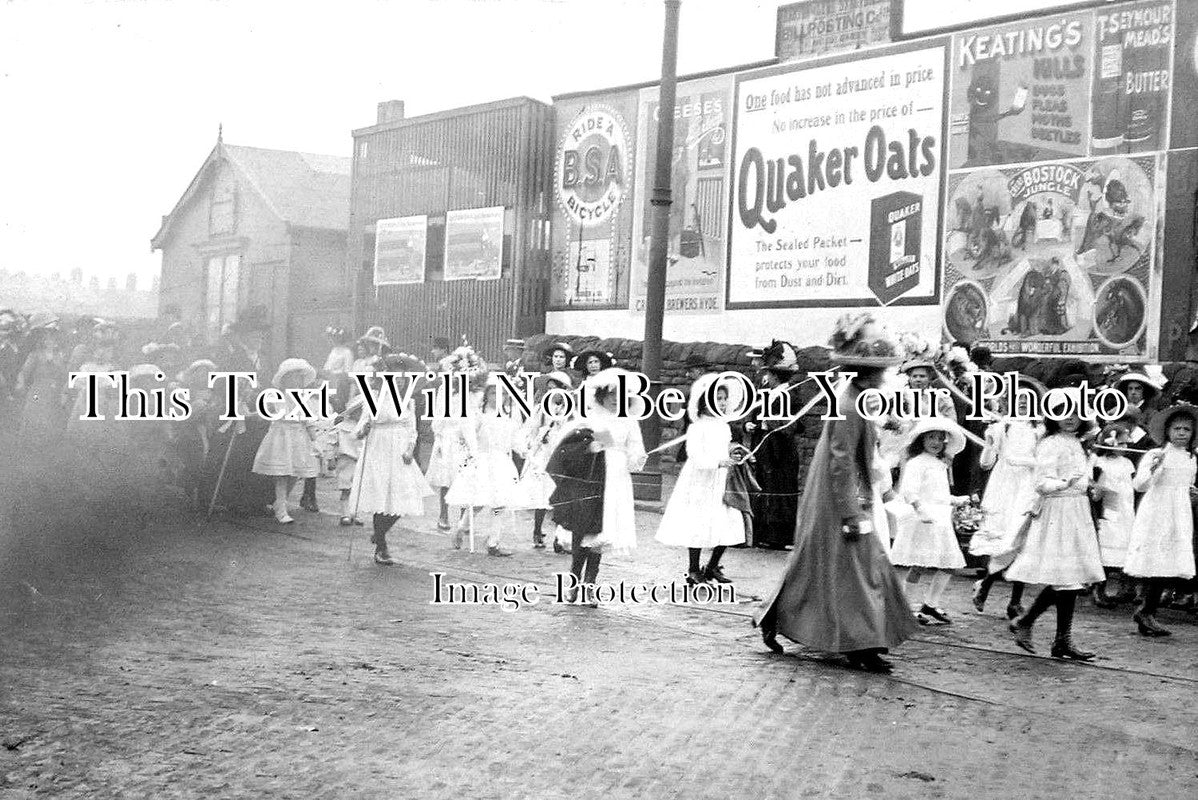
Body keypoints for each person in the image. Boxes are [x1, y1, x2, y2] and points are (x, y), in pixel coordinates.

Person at [754, 314, 918, 674]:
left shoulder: (861, 400)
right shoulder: (848, 405)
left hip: (852, 495)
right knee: (851, 567)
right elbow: (840, 463)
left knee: (858, 565)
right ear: (867, 373)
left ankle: (867, 638)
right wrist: (850, 511)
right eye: (881, 372)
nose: (885, 377)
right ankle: (860, 642)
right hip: (839, 499)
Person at [1006, 388, 1105, 660]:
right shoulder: (1050, 443)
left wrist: (1088, 486)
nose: (1069, 418)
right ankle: (1035, 626)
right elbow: (1041, 483)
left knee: (1071, 577)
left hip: (1077, 510)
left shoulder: (1077, 443)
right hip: (1058, 511)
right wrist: (1066, 483)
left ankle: (1057, 637)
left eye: (1074, 412)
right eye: (1061, 412)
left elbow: (1081, 477)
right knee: (1065, 576)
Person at [656, 374, 748, 585]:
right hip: (700, 481)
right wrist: (717, 462)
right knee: (698, 522)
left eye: (724, 399)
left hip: (721, 480)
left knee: (728, 521)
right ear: (705, 402)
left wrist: (734, 454)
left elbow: (726, 448)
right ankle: (693, 569)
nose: (722, 403)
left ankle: (713, 565)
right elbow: (695, 455)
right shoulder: (698, 426)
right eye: (717, 398)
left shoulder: (724, 426)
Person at [970, 375, 1045, 619]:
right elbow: (985, 463)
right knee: (1001, 539)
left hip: (1028, 486)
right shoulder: (1002, 427)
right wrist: (990, 443)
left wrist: (1022, 461)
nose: (1023, 402)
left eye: (1028, 398)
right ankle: (986, 585)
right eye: (1019, 398)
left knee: (1020, 539)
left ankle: (1014, 601)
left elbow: (1043, 462)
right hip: (1003, 487)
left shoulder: (1040, 430)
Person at [348, 353, 434, 566]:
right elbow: (360, 426)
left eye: (403, 378)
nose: (399, 381)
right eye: (395, 377)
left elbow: (412, 429)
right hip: (378, 447)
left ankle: (379, 534)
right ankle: (381, 547)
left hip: (399, 451)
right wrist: (363, 430)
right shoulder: (374, 398)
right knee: (381, 497)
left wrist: (409, 449)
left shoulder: (408, 402)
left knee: (404, 498)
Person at [1124, 403, 1198, 636]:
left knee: (1169, 560)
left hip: (1179, 511)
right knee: (1155, 558)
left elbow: (1187, 483)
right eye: (1177, 429)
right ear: (1167, 431)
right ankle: (1146, 609)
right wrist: (1154, 469)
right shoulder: (1156, 454)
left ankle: (1148, 610)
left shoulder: (1191, 457)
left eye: (1186, 429)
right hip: (1158, 510)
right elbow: (1140, 484)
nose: (1181, 433)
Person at [892, 418, 971, 625]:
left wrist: (956, 499)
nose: (936, 442)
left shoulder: (939, 464)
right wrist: (920, 510)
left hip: (941, 519)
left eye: (939, 438)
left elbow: (938, 494)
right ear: (921, 440)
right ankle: (906, 606)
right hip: (924, 519)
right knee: (920, 564)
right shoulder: (916, 463)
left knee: (948, 563)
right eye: (931, 438)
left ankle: (930, 603)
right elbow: (909, 491)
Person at [201, 306, 273, 517]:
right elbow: (219, 385)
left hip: (258, 415)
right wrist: (239, 392)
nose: (260, 337)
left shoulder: (264, 359)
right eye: (254, 333)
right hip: (234, 414)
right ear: (244, 336)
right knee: (234, 456)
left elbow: (269, 384)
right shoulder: (232, 359)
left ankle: (254, 501)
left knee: (258, 456)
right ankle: (230, 499)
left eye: (261, 333)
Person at [445, 373, 521, 556]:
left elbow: (514, 438)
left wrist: (523, 449)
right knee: (478, 502)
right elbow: (465, 433)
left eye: (502, 393)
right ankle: (461, 528)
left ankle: (493, 543)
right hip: (484, 460)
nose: (497, 397)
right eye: (493, 393)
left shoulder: (509, 416)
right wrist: (472, 452)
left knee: (500, 504)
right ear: (487, 395)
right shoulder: (479, 414)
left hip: (502, 462)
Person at [745, 351, 804, 549]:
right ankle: (763, 533)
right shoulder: (768, 393)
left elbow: (797, 424)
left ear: (776, 376)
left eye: (769, 374)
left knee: (781, 490)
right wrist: (751, 425)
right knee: (765, 488)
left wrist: (768, 423)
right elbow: (756, 415)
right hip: (767, 449)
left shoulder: (791, 394)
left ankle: (780, 537)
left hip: (782, 451)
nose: (766, 378)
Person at [252, 358, 322, 524]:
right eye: (292, 377)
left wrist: (315, 441)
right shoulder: (276, 397)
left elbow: (309, 422)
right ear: (284, 379)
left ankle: (279, 503)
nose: (296, 381)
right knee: (282, 474)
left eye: (299, 378)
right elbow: (265, 412)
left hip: (298, 438)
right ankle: (281, 508)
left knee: (295, 473)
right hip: (281, 437)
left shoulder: (304, 399)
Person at [512, 370, 575, 552]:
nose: (551, 393)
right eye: (549, 389)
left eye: (555, 389)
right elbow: (531, 429)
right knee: (542, 494)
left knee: (561, 496)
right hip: (544, 453)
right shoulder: (540, 408)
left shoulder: (569, 410)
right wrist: (539, 438)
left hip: (561, 452)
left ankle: (560, 537)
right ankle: (537, 531)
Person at [1088, 422, 1138, 609]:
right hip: (1109, 510)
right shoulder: (1100, 462)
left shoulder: (1127, 463)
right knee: (1105, 547)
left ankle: (1122, 588)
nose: (1125, 448)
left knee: (1122, 545)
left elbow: (1130, 484)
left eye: (1127, 444)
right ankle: (1098, 588)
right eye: (1122, 444)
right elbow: (1096, 487)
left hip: (1126, 508)